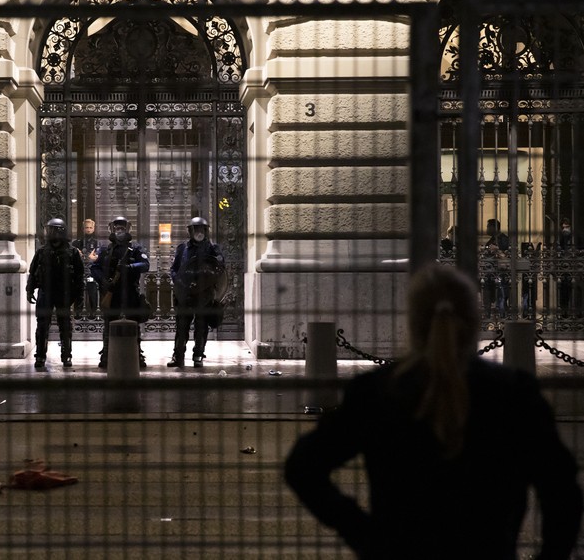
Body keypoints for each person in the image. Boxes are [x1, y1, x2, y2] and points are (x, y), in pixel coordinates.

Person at [285, 263, 582, 560]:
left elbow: (302, 466)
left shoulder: (376, 392)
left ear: (413, 324)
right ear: (474, 321)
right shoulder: (515, 394)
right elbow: (561, 491)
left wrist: (364, 533)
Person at [91, 216, 150, 369]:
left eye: (122, 227)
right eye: (117, 227)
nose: (119, 230)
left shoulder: (135, 249)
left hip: (130, 290)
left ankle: (136, 354)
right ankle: (107, 354)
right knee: (108, 323)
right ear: (112, 229)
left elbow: (145, 264)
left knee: (134, 323)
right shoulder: (105, 249)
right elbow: (94, 268)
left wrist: (130, 267)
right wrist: (103, 281)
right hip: (111, 291)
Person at [167, 217, 225, 368]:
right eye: (196, 229)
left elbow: (220, 269)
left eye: (202, 229)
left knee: (201, 327)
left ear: (206, 231)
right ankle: (178, 356)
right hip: (184, 293)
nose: (199, 232)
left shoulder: (213, 249)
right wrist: (178, 281)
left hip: (203, 295)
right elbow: (174, 269)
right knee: (181, 327)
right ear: (191, 231)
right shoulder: (182, 248)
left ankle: (198, 355)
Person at [26, 219, 84, 369]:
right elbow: (32, 273)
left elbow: (79, 278)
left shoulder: (72, 252)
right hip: (45, 292)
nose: (49, 233)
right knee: (42, 326)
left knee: (65, 326)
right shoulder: (41, 251)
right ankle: (40, 356)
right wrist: (30, 289)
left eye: (52, 230)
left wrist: (79, 299)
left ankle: (66, 356)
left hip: (64, 293)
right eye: (48, 230)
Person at [72, 218, 100, 317]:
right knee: (79, 293)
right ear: (83, 229)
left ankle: (94, 313)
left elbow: (99, 256)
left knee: (93, 291)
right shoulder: (76, 243)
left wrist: (94, 258)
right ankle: (78, 314)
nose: (88, 229)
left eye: (90, 227)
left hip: (92, 271)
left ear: (94, 228)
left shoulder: (98, 243)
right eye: (86, 227)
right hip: (80, 270)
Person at [482, 218, 510, 318]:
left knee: (501, 296)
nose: (486, 229)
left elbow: (507, 257)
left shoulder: (503, 239)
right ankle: (488, 316)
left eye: (488, 226)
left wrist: (497, 250)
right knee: (489, 295)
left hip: (501, 273)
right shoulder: (491, 240)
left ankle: (502, 318)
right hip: (490, 274)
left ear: (494, 227)